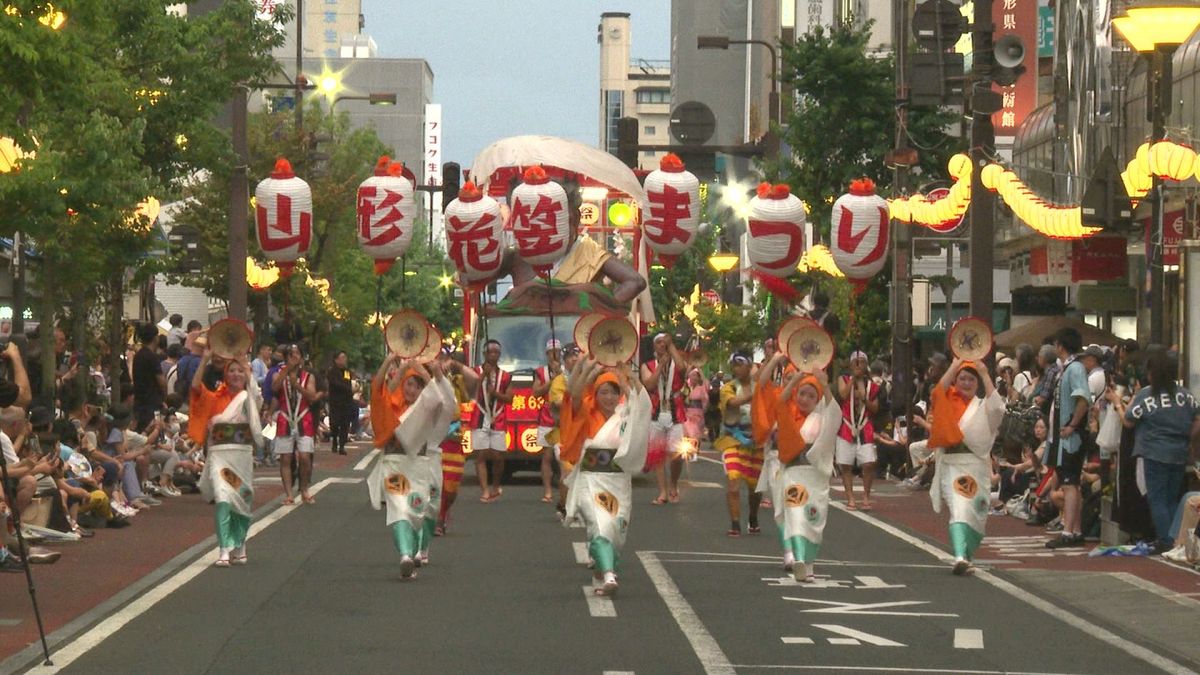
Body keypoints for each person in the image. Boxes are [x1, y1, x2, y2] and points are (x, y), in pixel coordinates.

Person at [559, 357, 650, 596]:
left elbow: (643, 402)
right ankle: (610, 576)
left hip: (619, 483)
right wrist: (587, 368)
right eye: (603, 393)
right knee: (600, 525)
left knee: (615, 531)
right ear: (596, 395)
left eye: (613, 393)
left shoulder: (626, 416)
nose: (608, 398)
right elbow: (574, 394)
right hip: (591, 481)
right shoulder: (587, 415)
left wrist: (627, 375)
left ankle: (603, 568)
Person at [367, 355, 456, 579]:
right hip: (395, 466)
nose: (412, 389)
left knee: (419, 511)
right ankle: (406, 555)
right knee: (399, 510)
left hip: (419, 467)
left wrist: (432, 373)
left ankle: (418, 550)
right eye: (409, 384)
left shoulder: (428, 408)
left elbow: (446, 402)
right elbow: (380, 387)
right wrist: (391, 362)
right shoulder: (392, 407)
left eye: (417, 386)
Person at [754, 354, 841, 582]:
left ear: (817, 399)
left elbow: (835, 412)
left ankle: (808, 564)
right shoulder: (786, 409)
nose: (804, 398)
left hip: (815, 478)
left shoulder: (822, 417)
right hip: (791, 473)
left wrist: (824, 384)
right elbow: (777, 400)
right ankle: (796, 558)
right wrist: (792, 379)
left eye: (810, 395)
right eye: (801, 393)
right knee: (793, 513)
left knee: (813, 520)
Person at [1114, 350, 1200, 554]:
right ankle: (1176, 539)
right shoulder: (1185, 394)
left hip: (1154, 451)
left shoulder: (1146, 394)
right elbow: (1198, 418)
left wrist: (1119, 403)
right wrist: (1190, 438)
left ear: (1152, 373)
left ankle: (1166, 539)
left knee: (1157, 498)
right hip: (1179, 451)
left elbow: (1128, 420)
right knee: (1172, 497)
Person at [927, 358, 1005, 575]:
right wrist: (954, 365)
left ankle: (966, 556)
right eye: (962, 378)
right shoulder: (948, 398)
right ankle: (960, 556)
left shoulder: (982, 405)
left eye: (971, 379)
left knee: (976, 512)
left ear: (977, 383)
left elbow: (998, 408)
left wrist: (985, 373)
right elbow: (937, 392)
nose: (966, 383)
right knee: (960, 507)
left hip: (977, 465)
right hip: (953, 464)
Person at [189, 349, 264, 567]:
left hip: (242, 457)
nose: (236, 374)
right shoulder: (214, 398)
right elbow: (195, 388)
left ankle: (239, 543)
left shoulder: (249, 399)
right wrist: (204, 359)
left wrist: (246, 367)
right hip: (220, 457)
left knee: (241, 499)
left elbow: (257, 398)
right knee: (223, 497)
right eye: (232, 370)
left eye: (240, 370)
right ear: (225, 373)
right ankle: (223, 548)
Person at [1046, 327, 1091, 549]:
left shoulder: (1074, 369)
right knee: (1070, 482)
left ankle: (1068, 530)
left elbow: (1083, 398)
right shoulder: (1069, 369)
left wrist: (1072, 424)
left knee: (1070, 483)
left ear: (1060, 346)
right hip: (1064, 433)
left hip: (1069, 434)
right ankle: (1076, 529)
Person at [715, 352, 763, 537]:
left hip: (756, 441)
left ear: (750, 366)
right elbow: (733, 403)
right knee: (733, 480)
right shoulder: (728, 388)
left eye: (740, 364)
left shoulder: (760, 387)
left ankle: (753, 517)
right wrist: (757, 392)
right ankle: (735, 523)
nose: (736, 368)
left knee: (755, 487)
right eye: (734, 365)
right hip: (732, 439)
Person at [641, 332, 687, 505]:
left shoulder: (677, 362)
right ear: (654, 346)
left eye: (665, 342)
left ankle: (673, 484)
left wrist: (672, 346)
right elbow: (650, 384)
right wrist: (660, 366)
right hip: (656, 412)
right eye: (659, 342)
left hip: (675, 413)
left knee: (677, 454)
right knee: (658, 455)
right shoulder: (648, 365)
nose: (662, 345)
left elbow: (683, 369)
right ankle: (663, 491)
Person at [465, 339, 512, 503]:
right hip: (480, 416)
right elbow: (470, 390)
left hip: (498, 416)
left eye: (496, 352)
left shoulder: (505, 376)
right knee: (480, 455)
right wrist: (484, 374)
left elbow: (510, 399)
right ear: (484, 354)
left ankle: (495, 485)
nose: (493, 355)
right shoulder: (475, 371)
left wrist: (496, 394)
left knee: (498, 456)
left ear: (499, 355)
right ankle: (484, 490)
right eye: (489, 352)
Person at [272, 344, 319, 505]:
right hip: (285, 418)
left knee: (305, 457)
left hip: (303, 418)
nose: (294, 357)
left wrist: (296, 385)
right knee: (286, 458)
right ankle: (289, 494)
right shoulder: (279, 374)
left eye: (297, 354)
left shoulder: (308, 376)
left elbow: (312, 397)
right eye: (291, 354)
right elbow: (274, 388)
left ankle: (304, 488)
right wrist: (286, 372)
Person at [836, 351, 880, 510]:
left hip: (865, 426)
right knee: (845, 465)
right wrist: (854, 378)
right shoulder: (843, 379)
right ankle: (850, 498)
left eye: (861, 362)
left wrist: (864, 398)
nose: (858, 366)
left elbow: (875, 408)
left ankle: (866, 496)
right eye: (856, 363)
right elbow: (843, 394)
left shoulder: (872, 385)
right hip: (847, 426)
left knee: (869, 463)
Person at [532, 339, 564, 503]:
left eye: (557, 351)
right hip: (546, 416)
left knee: (564, 457)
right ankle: (547, 490)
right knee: (547, 456)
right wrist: (553, 380)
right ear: (546, 354)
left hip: (564, 415)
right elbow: (536, 393)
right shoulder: (541, 372)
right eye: (551, 352)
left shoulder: (567, 371)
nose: (554, 354)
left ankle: (564, 491)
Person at [132, 322, 166, 430]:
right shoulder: (152, 357)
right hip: (152, 403)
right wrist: (164, 398)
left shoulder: (138, 355)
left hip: (140, 402)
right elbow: (161, 381)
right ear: (155, 338)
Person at [326, 350, 354, 455]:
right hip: (335, 401)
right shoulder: (332, 371)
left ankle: (342, 445)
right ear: (336, 360)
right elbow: (336, 384)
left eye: (345, 358)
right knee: (334, 423)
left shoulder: (347, 371)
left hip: (346, 401)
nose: (344, 360)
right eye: (341, 358)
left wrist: (349, 389)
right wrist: (347, 388)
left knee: (345, 424)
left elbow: (348, 381)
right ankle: (334, 441)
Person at [684, 368, 709, 447]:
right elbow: (682, 378)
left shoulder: (702, 388)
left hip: (697, 415)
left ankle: (694, 450)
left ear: (698, 378)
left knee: (694, 433)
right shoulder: (686, 387)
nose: (693, 378)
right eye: (691, 376)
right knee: (685, 432)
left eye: (695, 376)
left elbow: (707, 385)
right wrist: (690, 367)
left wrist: (699, 369)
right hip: (686, 413)